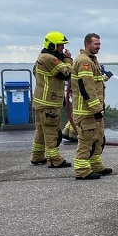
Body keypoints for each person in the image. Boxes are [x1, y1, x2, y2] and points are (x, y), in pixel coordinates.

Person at [71, 33, 112, 179]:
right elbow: (86, 87)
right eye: (96, 44)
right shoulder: (84, 61)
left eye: (100, 44)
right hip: (87, 111)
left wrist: (105, 77)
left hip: (95, 110)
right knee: (86, 140)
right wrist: (96, 110)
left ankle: (95, 164)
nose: (99, 47)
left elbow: (94, 81)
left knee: (99, 138)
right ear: (87, 44)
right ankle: (82, 170)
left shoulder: (91, 60)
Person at [30, 31, 73, 168]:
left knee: (41, 131)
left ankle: (37, 156)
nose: (62, 48)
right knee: (52, 131)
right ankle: (55, 159)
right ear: (52, 45)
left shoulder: (41, 56)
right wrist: (67, 59)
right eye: (60, 45)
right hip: (49, 102)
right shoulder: (50, 58)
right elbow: (66, 73)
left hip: (40, 101)